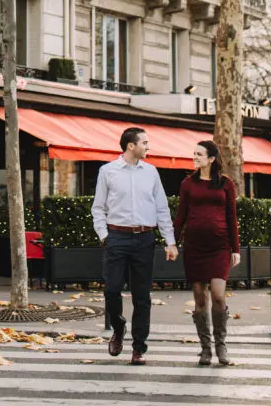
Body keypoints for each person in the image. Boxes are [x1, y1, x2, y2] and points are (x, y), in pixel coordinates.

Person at [92, 126, 178, 366]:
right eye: (145, 143)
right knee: (111, 289)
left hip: (144, 239)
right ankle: (118, 328)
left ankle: (139, 347)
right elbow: (98, 207)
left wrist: (169, 241)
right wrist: (104, 236)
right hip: (116, 237)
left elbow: (162, 208)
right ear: (131, 145)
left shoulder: (151, 172)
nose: (148, 147)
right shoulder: (107, 171)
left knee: (142, 296)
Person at [173, 140, 240, 366]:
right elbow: (181, 215)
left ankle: (221, 345)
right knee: (200, 299)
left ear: (211, 158)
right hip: (194, 247)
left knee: (219, 296)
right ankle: (205, 349)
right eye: (194, 153)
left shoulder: (225, 183)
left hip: (219, 246)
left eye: (199, 154)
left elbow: (232, 217)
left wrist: (235, 248)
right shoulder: (187, 184)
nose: (195, 157)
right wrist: (171, 242)